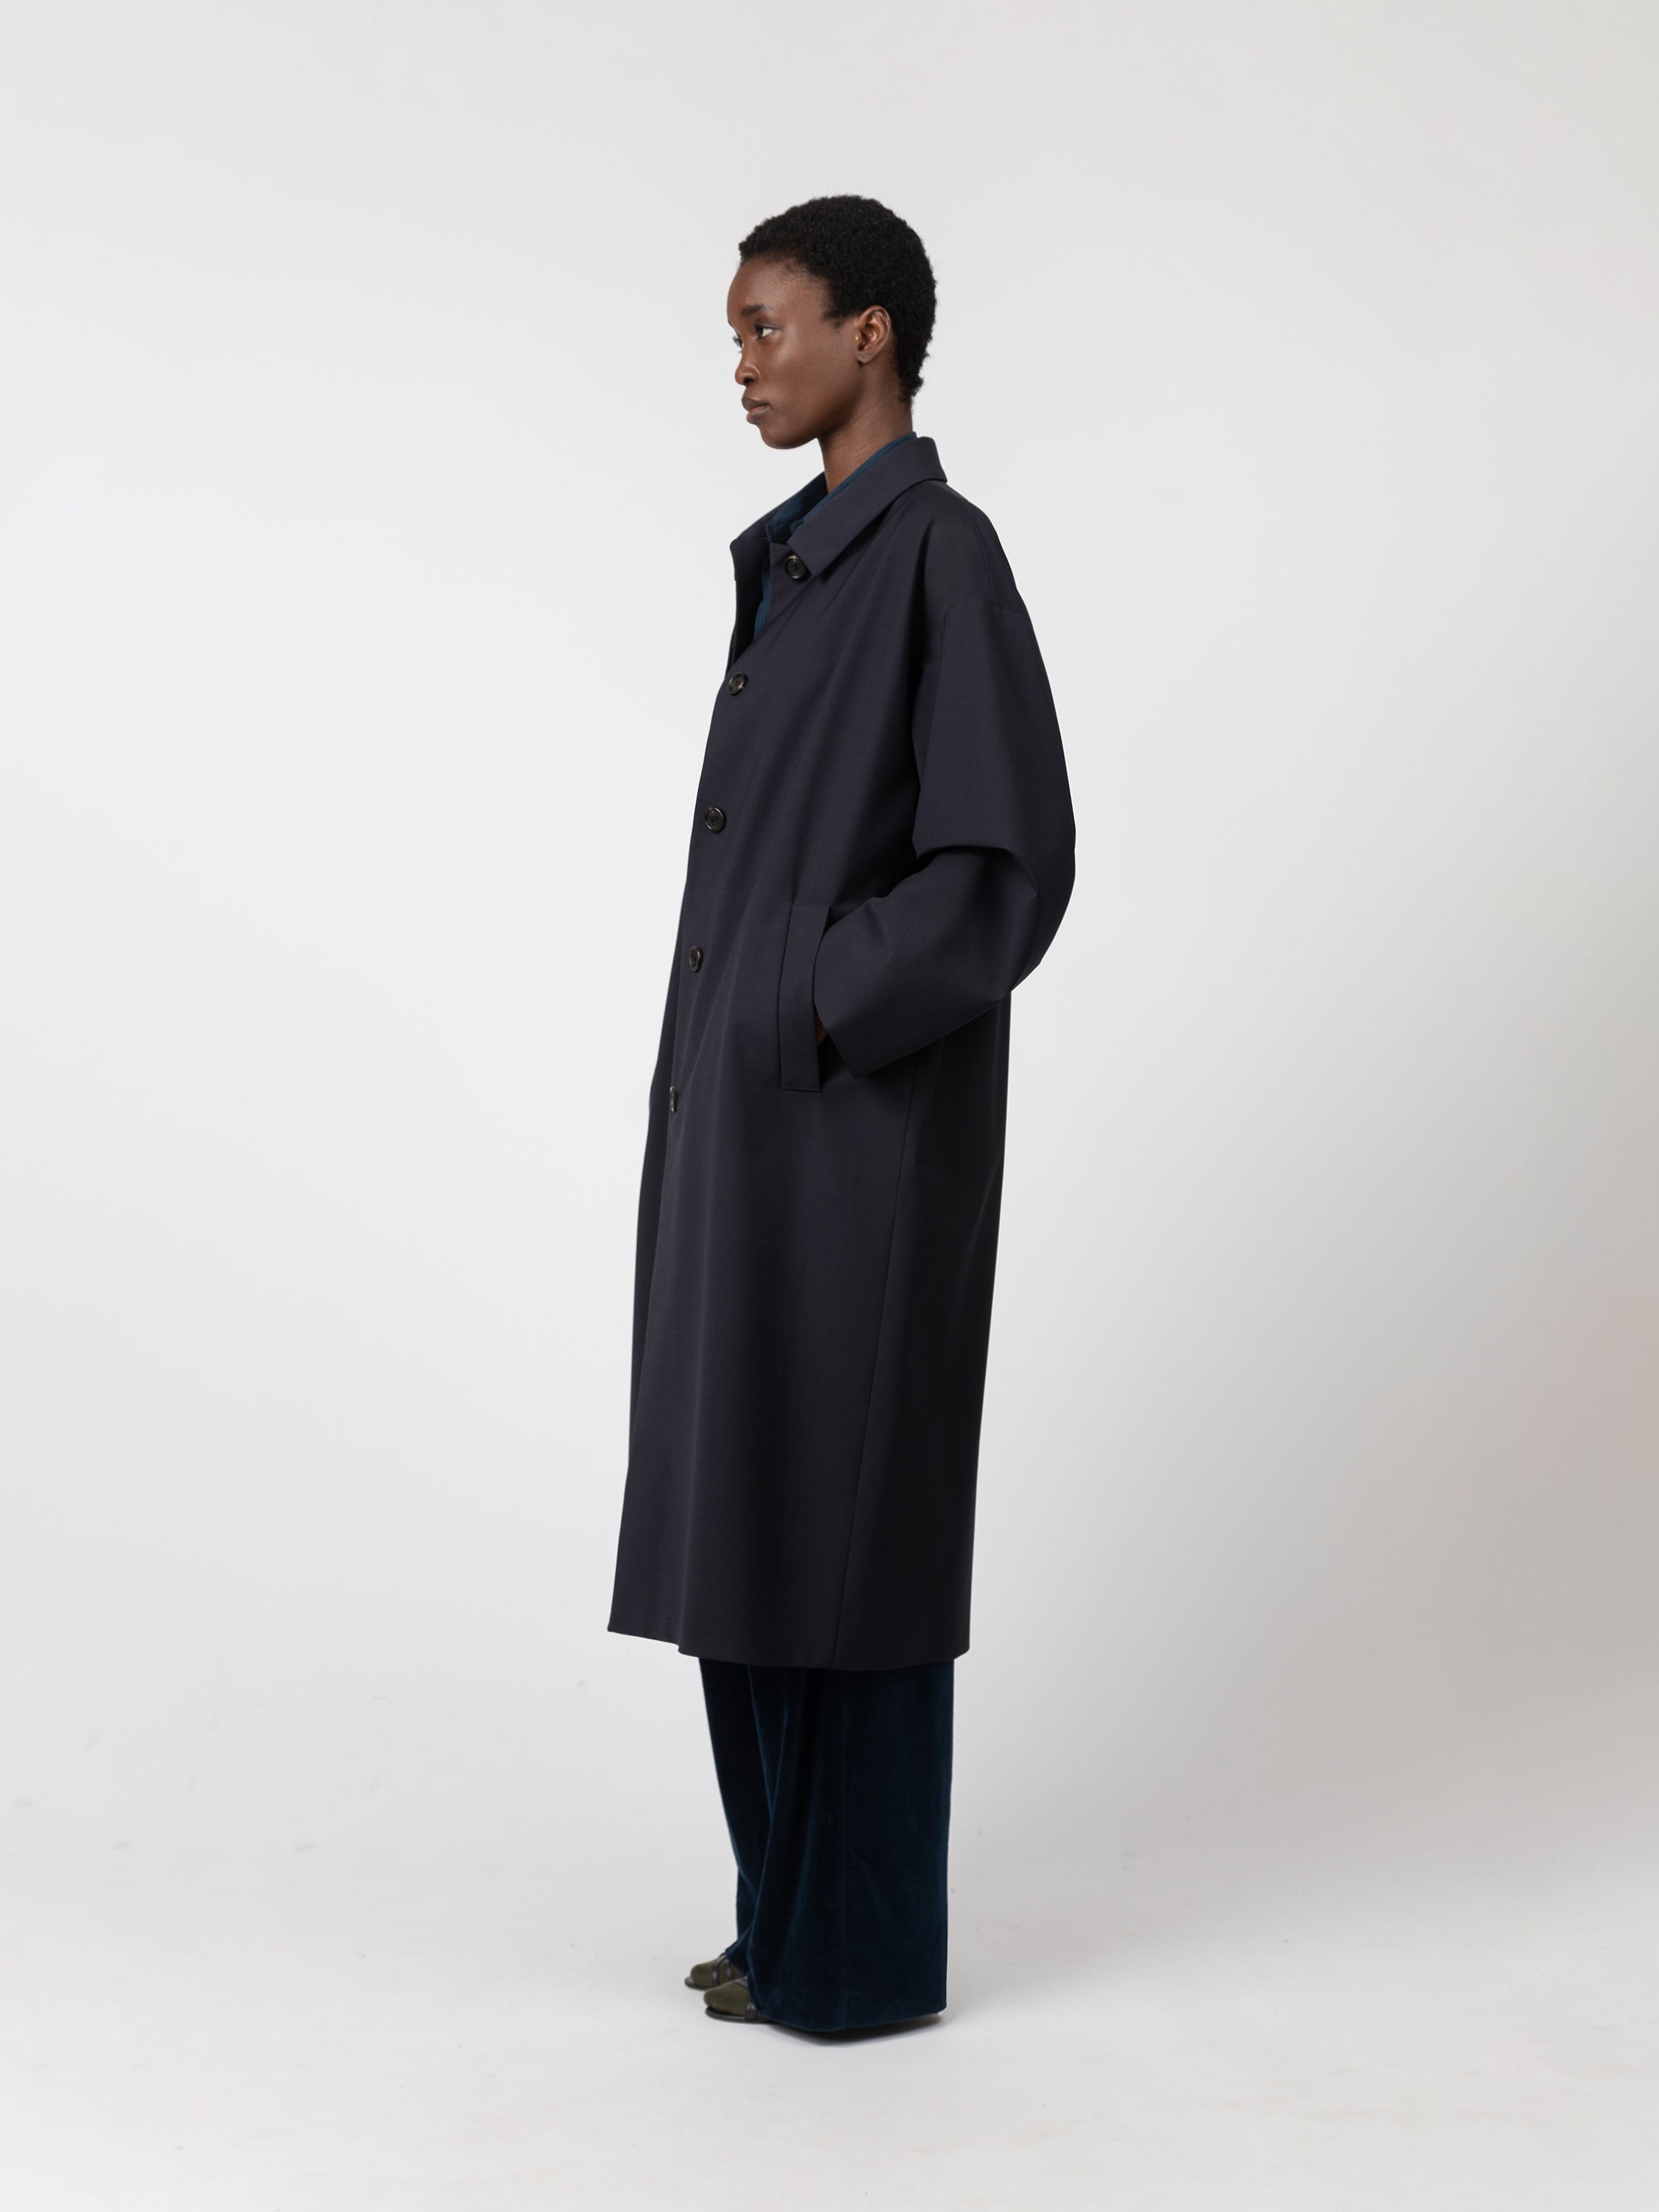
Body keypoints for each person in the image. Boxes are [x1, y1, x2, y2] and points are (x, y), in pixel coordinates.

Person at [607, 194, 1076, 2032]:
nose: (742, 365)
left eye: (767, 326)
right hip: (749, 1126)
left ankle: (859, 1954)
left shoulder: (940, 553)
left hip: (861, 1137)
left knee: (852, 1533)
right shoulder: (802, 563)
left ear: (870, 332)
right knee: (746, 1513)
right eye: (733, 334)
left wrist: (809, 993)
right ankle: (784, 1914)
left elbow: (1003, 867)